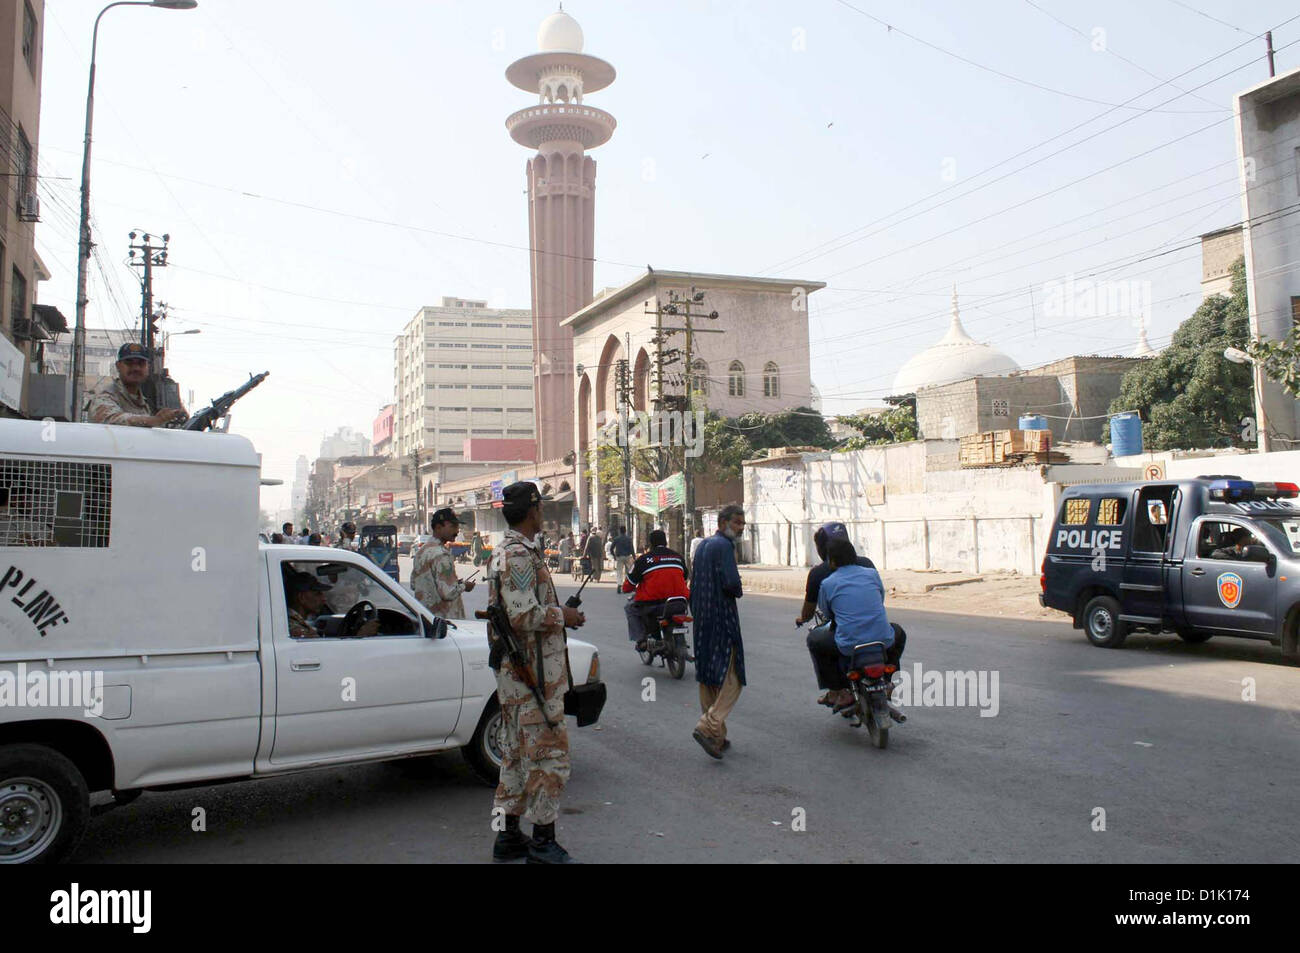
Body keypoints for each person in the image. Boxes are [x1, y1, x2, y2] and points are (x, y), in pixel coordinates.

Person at [487, 482, 586, 864]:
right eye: (541, 508)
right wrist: (566, 616)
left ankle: (508, 837)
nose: (542, 513)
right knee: (549, 756)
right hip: (532, 679)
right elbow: (523, 614)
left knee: (514, 756)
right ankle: (543, 841)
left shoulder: (511, 551)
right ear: (533, 512)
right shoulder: (518, 556)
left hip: (520, 677)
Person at [810, 538, 905, 714]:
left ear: (831, 561)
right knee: (899, 632)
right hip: (883, 639)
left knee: (815, 640)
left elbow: (828, 613)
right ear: (854, 556)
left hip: (849, 645)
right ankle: (889, 679)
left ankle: (837, 691)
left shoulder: (828, 583)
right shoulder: (872, 574)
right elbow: (880, 599)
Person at [689, 504, 746, 759]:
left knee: (709, 676)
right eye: (737, 523)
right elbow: (732, 584)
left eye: (743, 523)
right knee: (732, 677)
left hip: (702, 616)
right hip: (721, 617)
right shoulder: (724, 546)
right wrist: (737, 589)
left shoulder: (703, 545)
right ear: (723, 522)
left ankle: (717, 735)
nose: (740, 528)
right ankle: (708, 725)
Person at [84, 342, 188, 427]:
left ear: (148, 367)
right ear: (118, 366)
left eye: (141, 363)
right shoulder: (106, 396)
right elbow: (110, 419)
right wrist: (153, 420)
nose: (136, 368)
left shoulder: (142, 402)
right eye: (129, 363)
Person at [795, 522, 876, 627]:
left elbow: (820, 612)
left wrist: (802, 619)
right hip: (877, 629)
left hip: (847, 634)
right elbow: (879, 597)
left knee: (813, 639)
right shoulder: (869, 567)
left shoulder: (822, 577)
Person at [621, 529, 691, 648]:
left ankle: (641, 640)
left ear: (651, 544)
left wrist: (626, 588)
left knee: (630, 607)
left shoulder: (643, 560)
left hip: (653, 606)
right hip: (680, 603)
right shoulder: (678, 557)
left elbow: (628, 585)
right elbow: (685, 576)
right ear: (666, 542)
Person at [411, 508, 477, 619]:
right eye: (453, 526)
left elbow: (414, 584)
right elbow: (448, 592)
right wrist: (464, 586)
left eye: (457, 527)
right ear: (438, 527)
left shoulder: (422, 551)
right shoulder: (441, 554)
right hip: (445, 622)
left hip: (426, 617)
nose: (457, 531)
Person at [285, 571, 331, 639]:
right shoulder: (294, 627)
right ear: (302, 597)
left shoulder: (288, 619)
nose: (324, 599)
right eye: (317, 593)